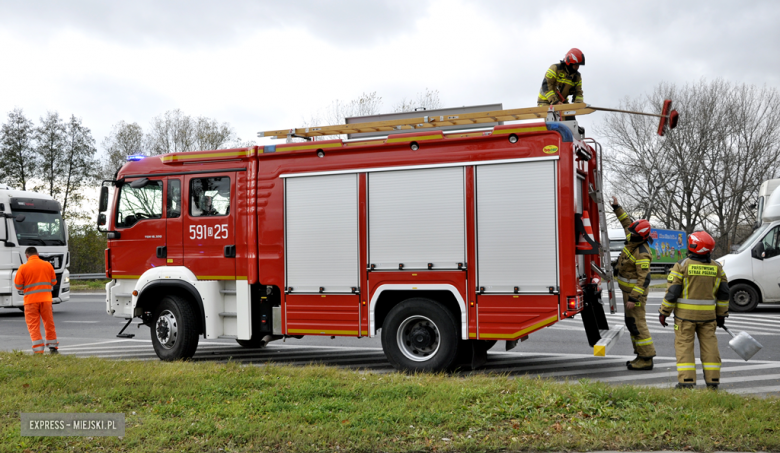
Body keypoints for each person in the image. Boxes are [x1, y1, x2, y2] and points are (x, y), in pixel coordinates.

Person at [659, 231, 729, 390]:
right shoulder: (717, 267)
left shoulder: (682, 265)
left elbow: (672, 293)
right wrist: (721, 315)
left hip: (685, 318)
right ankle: (713, 381)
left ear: (693, 246)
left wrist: (664, 312)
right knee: (710, 347)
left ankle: (686, 382)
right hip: (709, 318)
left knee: (684, 347)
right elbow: (724, 293)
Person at [611, 196, 656, 370]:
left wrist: (634, 298)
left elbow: (643, 278)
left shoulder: (642, 253)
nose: (629, 235)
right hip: (627, 293)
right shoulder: (633, 237)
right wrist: (617, 207)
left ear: (641, 236)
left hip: (634, 296)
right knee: (631, 324)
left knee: (637, 324)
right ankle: (639, 354)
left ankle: (646, 358)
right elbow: (626, 222)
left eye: (633, 234)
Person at [14, 247, 59, 354]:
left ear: (26, 256)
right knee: (49, 323)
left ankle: (38, 350)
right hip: (46, 300)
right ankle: (53, 347)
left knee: (33, 325)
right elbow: (54, 282)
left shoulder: (23, 267)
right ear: (37, 254)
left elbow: (18, 286)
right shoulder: (47, 265)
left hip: (31, 301)